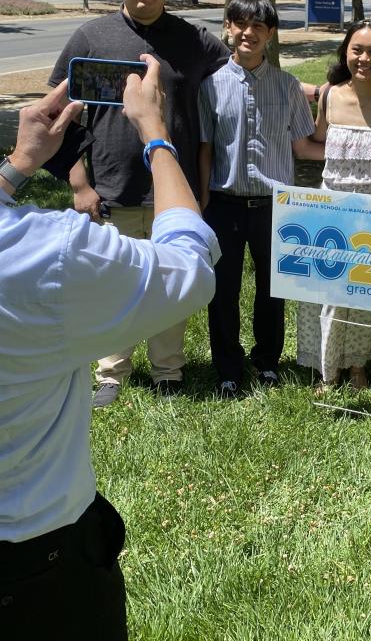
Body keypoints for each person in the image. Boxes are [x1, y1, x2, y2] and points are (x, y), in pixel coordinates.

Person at [0, 57, 219, 639]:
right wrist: (156, 135)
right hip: (34, 561)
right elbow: (187, 265)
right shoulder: (42, 255)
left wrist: (18, 167)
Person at [48, 0, 230, 408]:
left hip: (176, 187)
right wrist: (79, 182)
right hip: (113, 184)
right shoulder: (91, 37)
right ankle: (111, 372)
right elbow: (56, 115)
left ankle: (169, 370)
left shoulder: (195, 42)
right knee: (115, 282)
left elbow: (242, 77)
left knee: (170, 280)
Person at [198, 0, 325, 398]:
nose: (248, 32)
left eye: (258, 26)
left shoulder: (288, 87)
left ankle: (268, 362)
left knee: (274, 290)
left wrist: (361, 151)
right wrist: (200, 201)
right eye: (241, 24)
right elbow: (205, 148)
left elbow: (304, 147)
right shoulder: (211, 87)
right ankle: (228, 369)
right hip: (224, 204)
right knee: (223, 291)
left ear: (270, 34)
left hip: (275, 206)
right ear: (229, 28)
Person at [297, 20, 371, 389]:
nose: (364, 58)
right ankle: (328, 369)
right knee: (329, 293)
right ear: (345, 51)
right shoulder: (329, 94)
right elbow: (316, 143)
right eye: (357, 49)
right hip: (330, 209)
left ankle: (359, 366)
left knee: (365, 294)